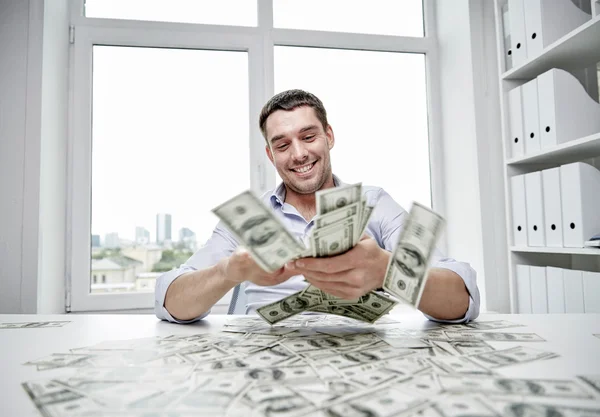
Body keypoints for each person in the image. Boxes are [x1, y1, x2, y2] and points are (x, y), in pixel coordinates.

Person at [155, 89, 480, 324]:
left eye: (308, 137)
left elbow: (461, 301)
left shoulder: (375, 204)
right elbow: (171, 302)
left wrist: (385, 269)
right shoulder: (248, 221)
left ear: (329, 136)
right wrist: (230, 271)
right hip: (264, 367)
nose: (298, 154)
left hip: (359, 366)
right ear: (271, 155)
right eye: (282, 145)